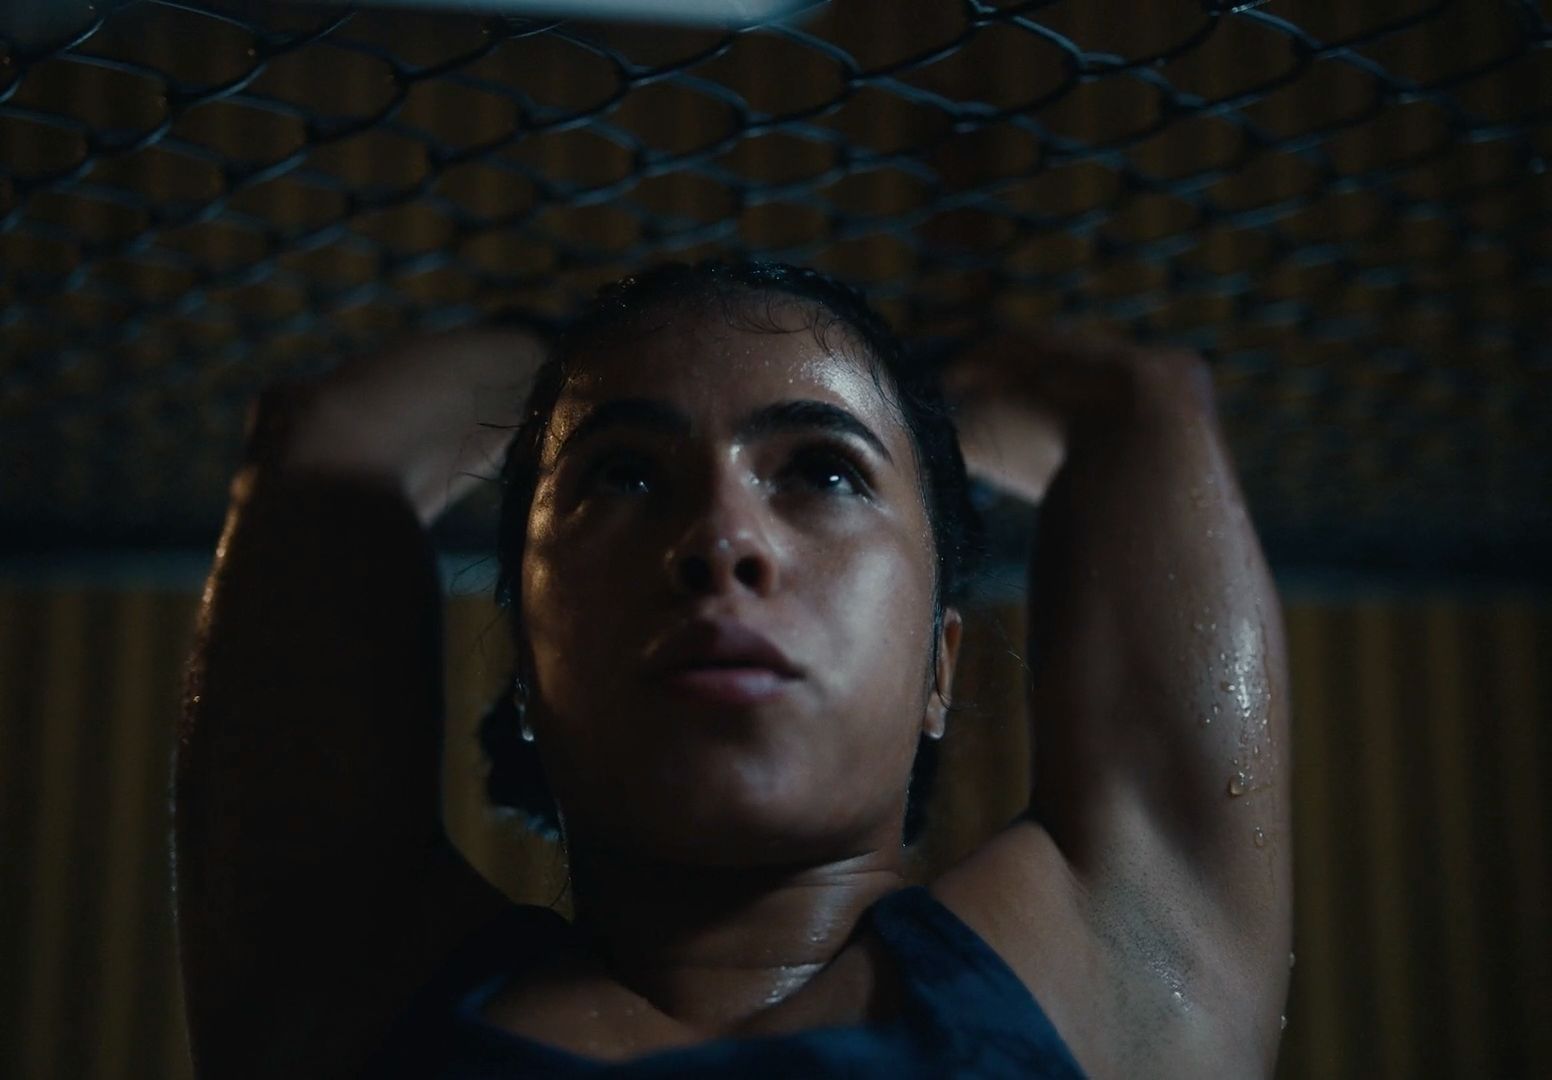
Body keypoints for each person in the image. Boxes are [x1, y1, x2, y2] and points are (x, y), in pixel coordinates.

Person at [173, 261, 1291, 1079]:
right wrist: (579, 348)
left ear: (940, 667)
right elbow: (323, 445)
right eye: (621, 477)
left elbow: (1134, 405)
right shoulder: (347, 993)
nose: (722, 535)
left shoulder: (1119, 975)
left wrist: (895, 381)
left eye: (824, 472)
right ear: (523, 657)